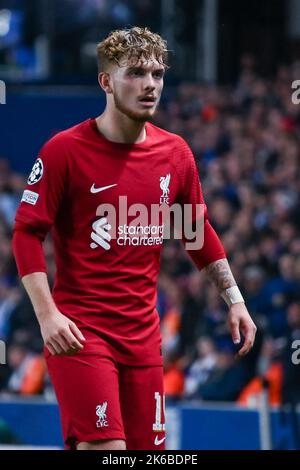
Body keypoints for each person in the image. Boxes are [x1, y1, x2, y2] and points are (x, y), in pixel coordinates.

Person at [12, 26, 257, 451]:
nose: (150, 85)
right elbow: (27, 233)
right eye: (137, 73)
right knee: (108, 451)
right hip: (81, 334)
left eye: (158, 74)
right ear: (106, 82)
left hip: (144, 339)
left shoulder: (175, 154)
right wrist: (47, 315)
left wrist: (234, 300)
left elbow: (197, 234)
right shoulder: (63, 151)